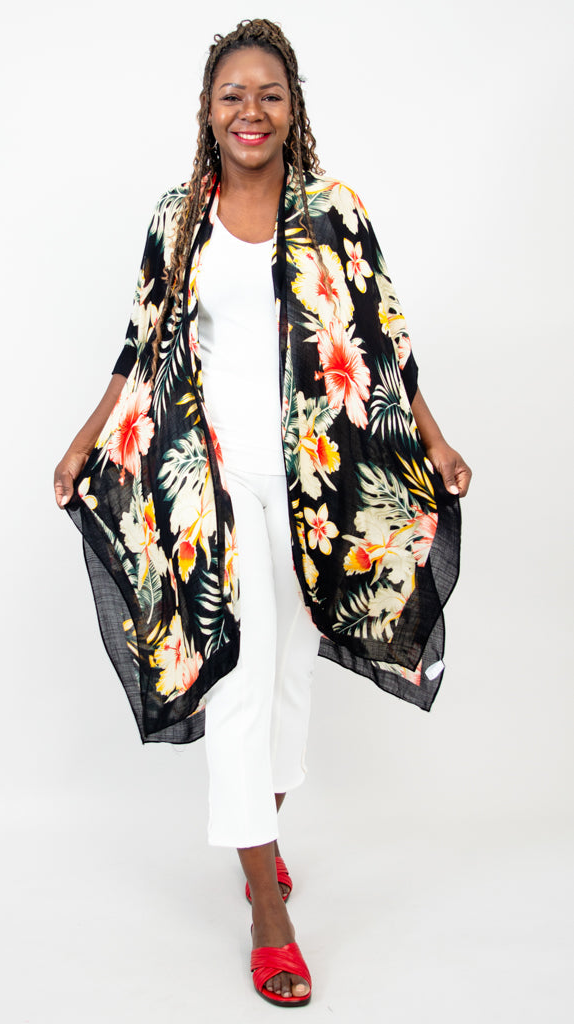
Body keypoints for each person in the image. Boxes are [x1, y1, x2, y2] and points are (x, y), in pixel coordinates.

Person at [54, 18, 471, 1007]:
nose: (251, 110)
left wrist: (436, 440)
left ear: (293, 109)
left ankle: (261, 835)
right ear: (209, 109)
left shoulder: (334, 211)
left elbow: (385, 339)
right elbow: (138, 344)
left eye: (270, 94)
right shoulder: (178, 217)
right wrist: (83, 438)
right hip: (211, 483)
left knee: (288, 669)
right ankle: (268, 910)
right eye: (233, 94)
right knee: (239, 676)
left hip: (317, 481)